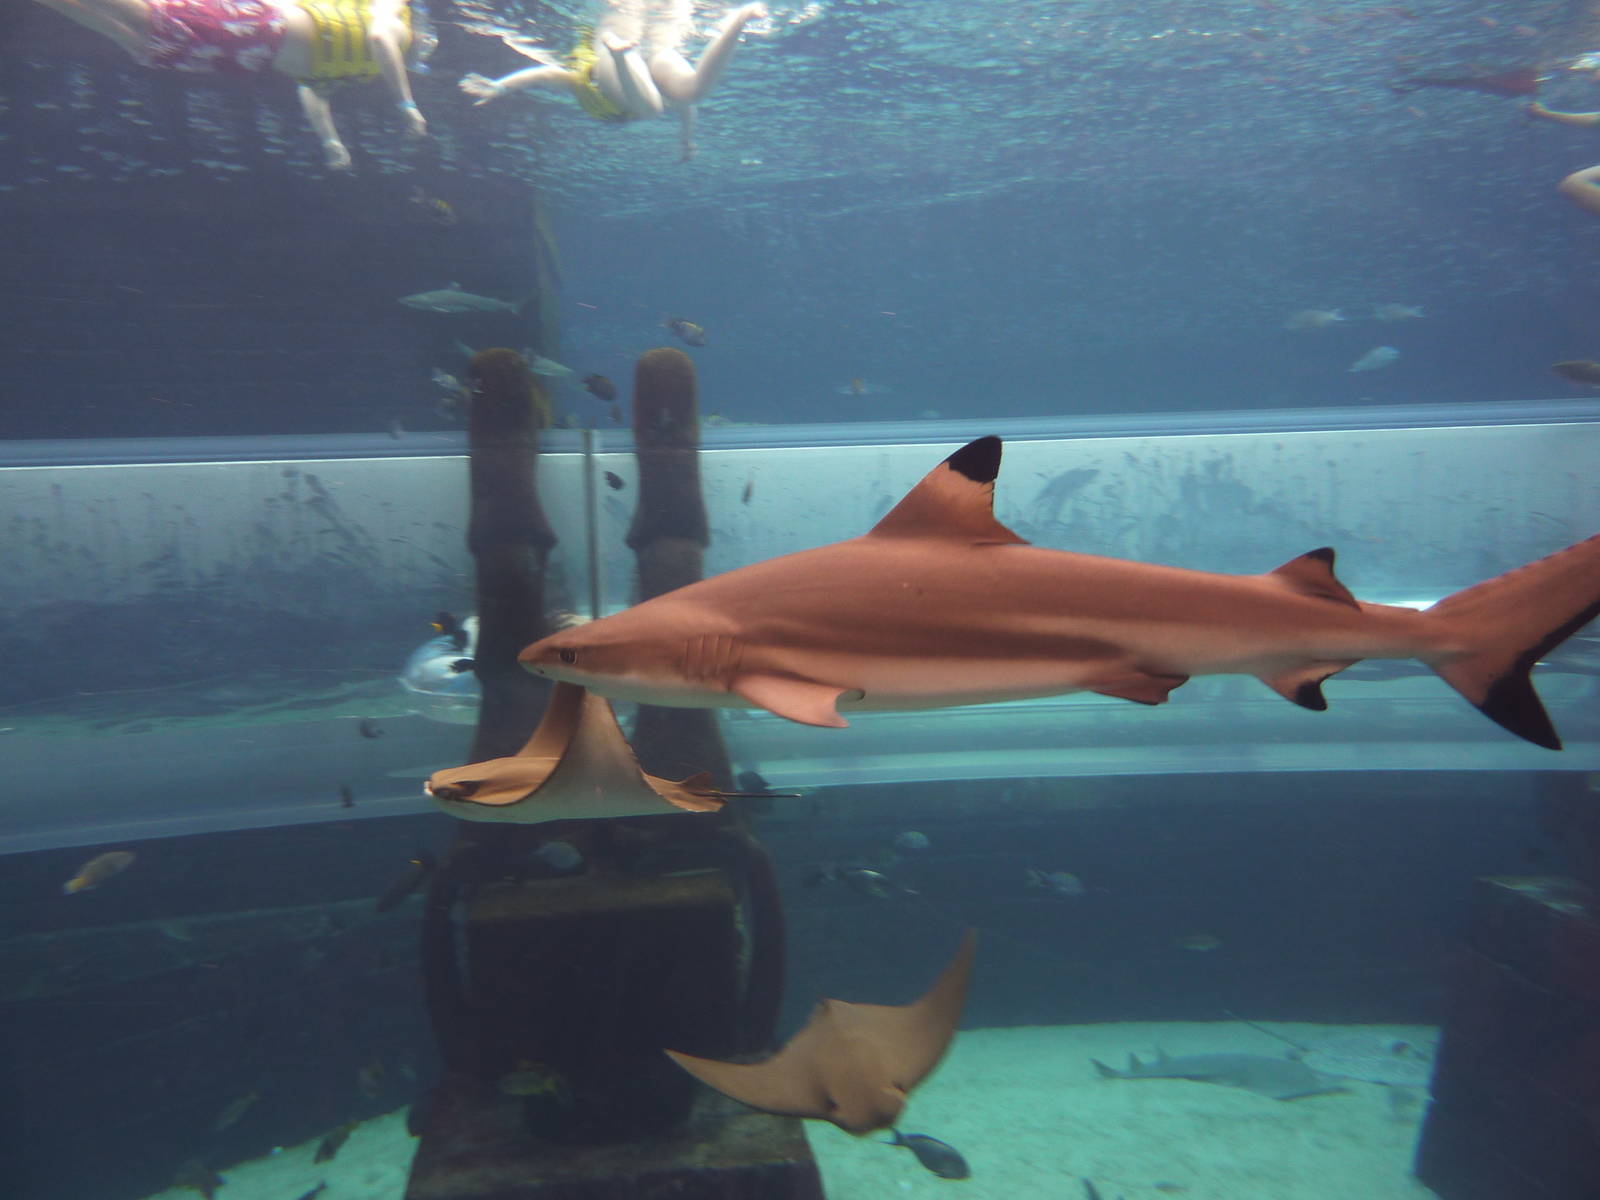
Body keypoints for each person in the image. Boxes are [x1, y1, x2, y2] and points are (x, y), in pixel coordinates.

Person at [24, 0, 430, 171]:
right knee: (146, 18)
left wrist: (330, 140)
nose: (429, 47)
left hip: (249, 54)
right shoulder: (397, 19)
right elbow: (381, 37)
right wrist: (406, 105)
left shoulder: (365, 68)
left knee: (140, 40)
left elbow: (313, 87)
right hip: (257, 26)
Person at [459, 1, 766, 161]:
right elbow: (686, 110)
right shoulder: (618, 102)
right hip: (650, 50)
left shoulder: (592, 95)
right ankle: (737, 21)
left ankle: (619, 54)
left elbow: (543, 74)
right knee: (692, 93)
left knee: (656, 109)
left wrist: (501, 85)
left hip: (608, 51)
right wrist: (686, 140)